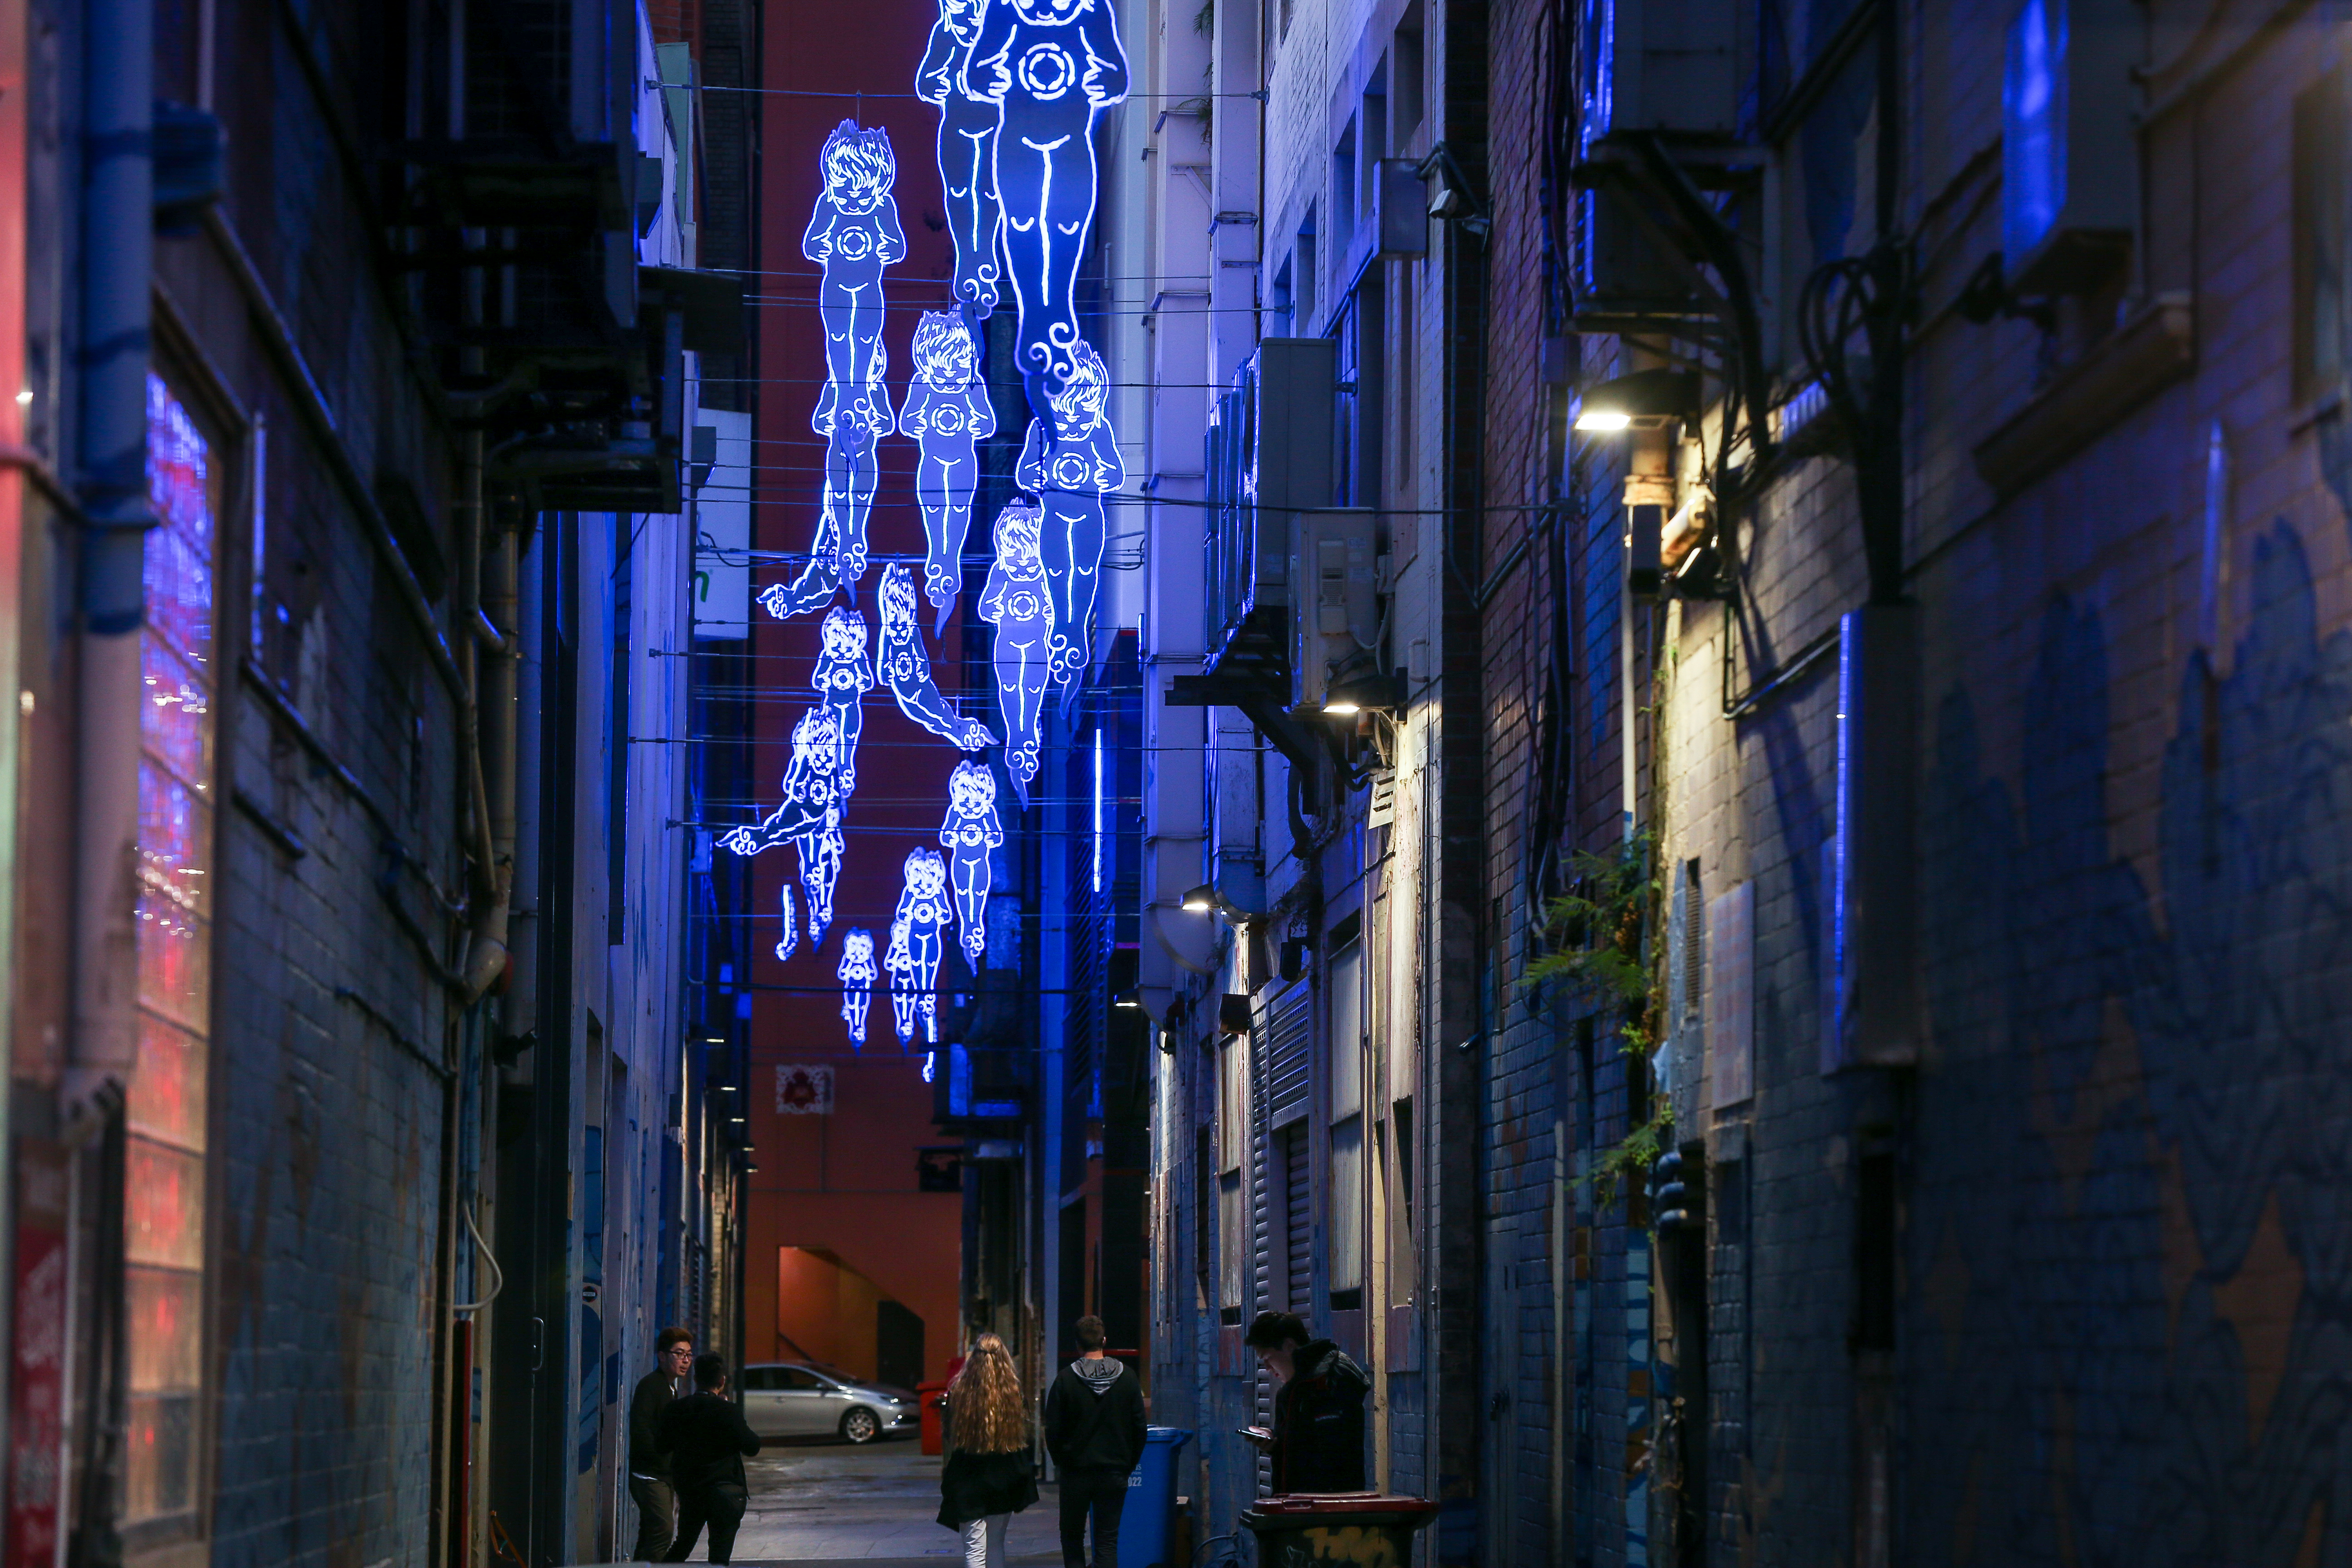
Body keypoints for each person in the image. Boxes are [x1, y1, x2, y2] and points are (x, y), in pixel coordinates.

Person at [1042, 1315, 1148, 1568]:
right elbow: (1139, 1429)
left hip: (1076, 1472)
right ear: (1104, 1340)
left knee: (1072, 1537)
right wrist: (1127, 1463)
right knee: (1107, 1540)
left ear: (1078, 1345)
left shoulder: (1066, 1380)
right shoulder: (1128, 1378)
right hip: (1114, 1471)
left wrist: (1061, 1462)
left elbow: (1052, 1429)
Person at [937, 1334, 1039, 1568]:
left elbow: (951, 1437)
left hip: (969, 1476)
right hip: (1005, 1475)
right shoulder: (1013, 1393)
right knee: (996, 1544)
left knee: (975, 1550)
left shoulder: (960, 1393)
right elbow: (1025, 1435)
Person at [1243, 1312, 1368, 1494]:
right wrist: (1276, 1443)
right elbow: (1306, 1446)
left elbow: (1331, 1456)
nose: (1268, 1368)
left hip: (1326, 1510)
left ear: (1289, 1346)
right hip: (1298, 1507)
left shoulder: (1328, 1381)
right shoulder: (1294, 1388)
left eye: (1268, 1358)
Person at [660, 1354, 763, 1563]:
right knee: (720, 1553)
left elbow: (662, 1446)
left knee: (683, 1544)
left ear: (696, 1379)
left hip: (690, 1489)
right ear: (722, 1381)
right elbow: (752, 1447)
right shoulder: (728, 1411)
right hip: (724, 1491)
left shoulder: (677, 1409)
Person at [629, 1328, 696, 1559]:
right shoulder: (651, 1386)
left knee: (650, 1533)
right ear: (661, 1356)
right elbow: (641, 1429)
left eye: (688, 1354)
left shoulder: (671, 1388)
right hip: (649, 1474)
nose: (685, 1361)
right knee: (663, 1531)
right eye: (679, 1354)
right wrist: (660, 1460)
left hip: (664, 1474)